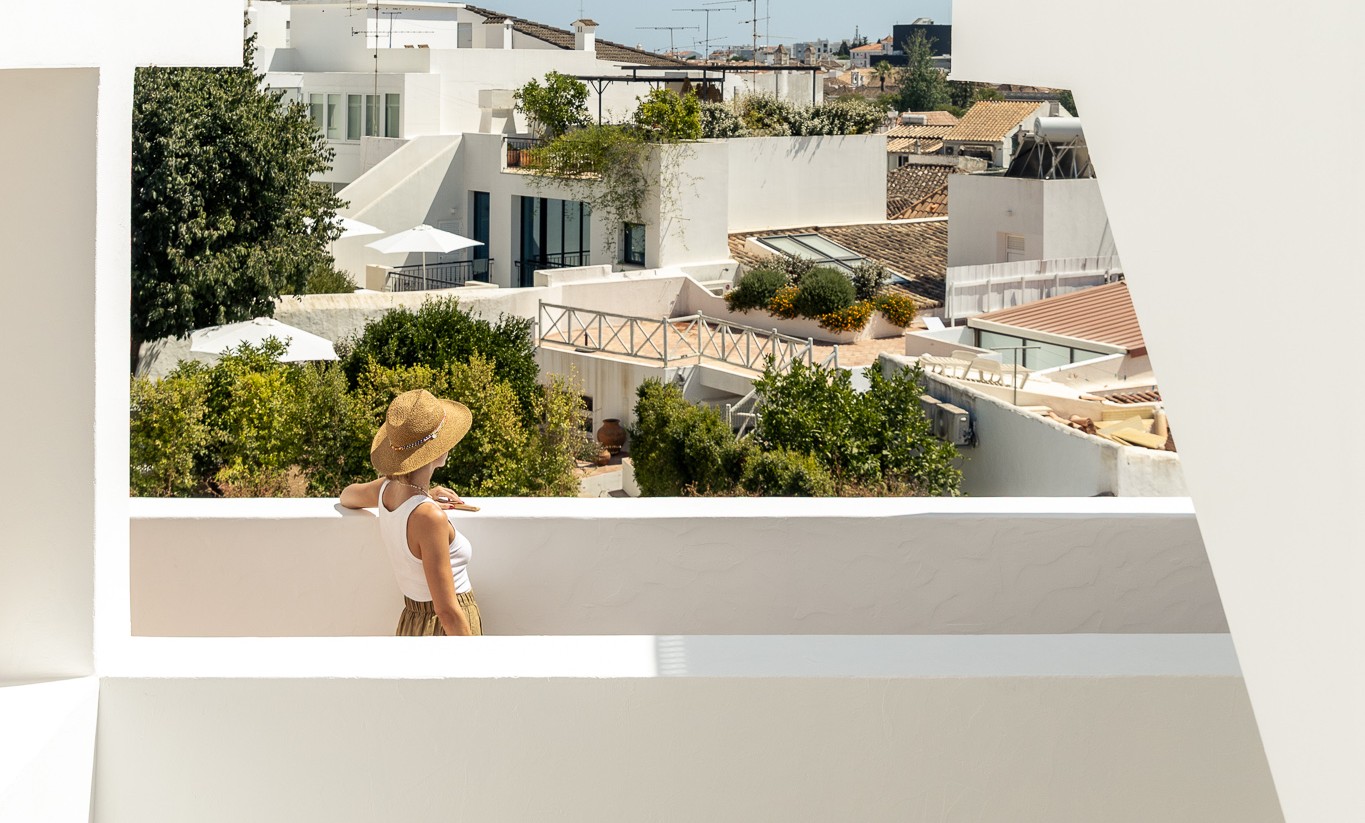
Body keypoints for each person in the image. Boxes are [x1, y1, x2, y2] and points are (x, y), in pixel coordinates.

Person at [340, 389, 482, 636]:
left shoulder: (387, 489)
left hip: (412, 621)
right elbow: (446, 611)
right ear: (437, 450)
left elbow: (347, 496)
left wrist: (426, 494)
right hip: (445, 629)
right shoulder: (429, 517)